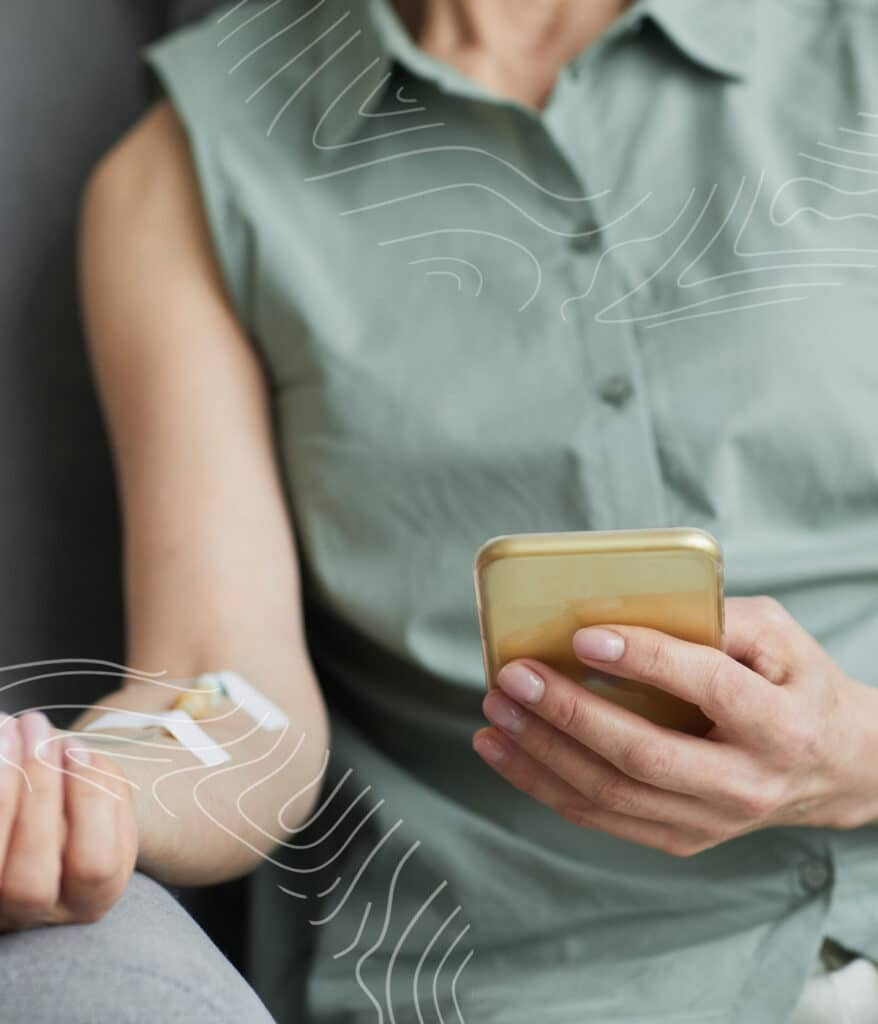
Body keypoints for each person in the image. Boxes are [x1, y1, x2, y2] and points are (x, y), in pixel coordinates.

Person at [2, 0, 878, 1021]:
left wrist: (853, 756)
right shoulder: (184, 172)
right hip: (529, 986)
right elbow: (217, 690)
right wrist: (64, 787)